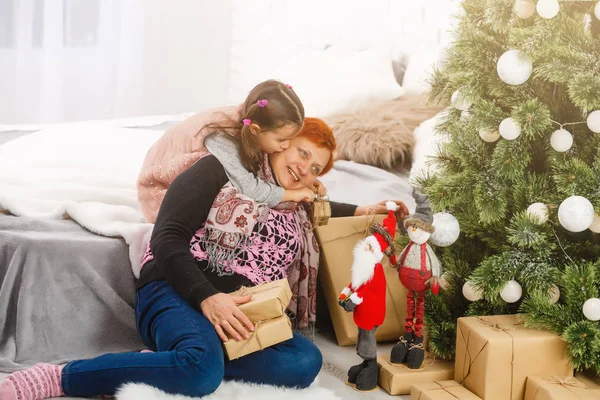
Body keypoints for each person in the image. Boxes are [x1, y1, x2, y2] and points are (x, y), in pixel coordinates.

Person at [0, 118, 409, 399]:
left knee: (304, 362)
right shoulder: (219, 170)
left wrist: (364, 210)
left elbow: (325, 210)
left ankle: (163, 366)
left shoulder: (296, 206)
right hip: (178, 289)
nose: (304, 168)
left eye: (315, 166)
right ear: (280, 143)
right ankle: (60, 378)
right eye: (302, 153)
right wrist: (209, 298)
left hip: (244, 312)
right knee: (201, 372)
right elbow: (167, 238)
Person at [138, 79, 324, 225]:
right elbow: (249, 187)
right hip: (159, 187)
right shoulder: (223, 137)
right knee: (234, 193)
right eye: (282, 140)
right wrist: (294, 194)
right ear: (256, 130)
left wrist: (307, 180)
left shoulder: (254, 123)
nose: (286, 146)